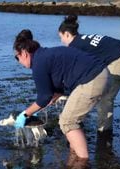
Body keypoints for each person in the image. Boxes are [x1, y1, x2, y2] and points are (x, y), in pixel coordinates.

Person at [12, 29, 109, 159]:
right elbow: (53, 89)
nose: (19, 62)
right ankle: (74, 156)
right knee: (71, 119)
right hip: (101, 73)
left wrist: (25, 114)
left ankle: (82, 162)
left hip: (93, 78)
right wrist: (52, 97)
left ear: (23, 53)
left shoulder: (39, 63)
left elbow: (44, 97)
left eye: (16, 57)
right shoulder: (45, 55)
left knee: (67, 122)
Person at [58, 15, 120, 135]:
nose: (61, 41)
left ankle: (104, 133)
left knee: (106, 97)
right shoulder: (82, 40)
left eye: (61, 37)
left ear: (67, 34)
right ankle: (84, 122)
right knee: (98, 89)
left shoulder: (75, 46)